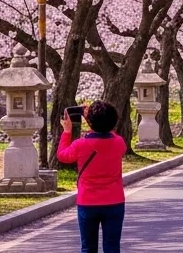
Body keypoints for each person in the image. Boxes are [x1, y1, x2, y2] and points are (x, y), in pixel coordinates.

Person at [57, 101, 127, 253]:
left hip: (87, 201)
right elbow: (112, 134)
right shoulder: (119, 143)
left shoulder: (80, 145)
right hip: (114, 201)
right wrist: (95, 121)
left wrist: (67, 131)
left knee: (88, 248)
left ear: (90, 123)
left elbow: (63, 155)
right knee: (112, 247)